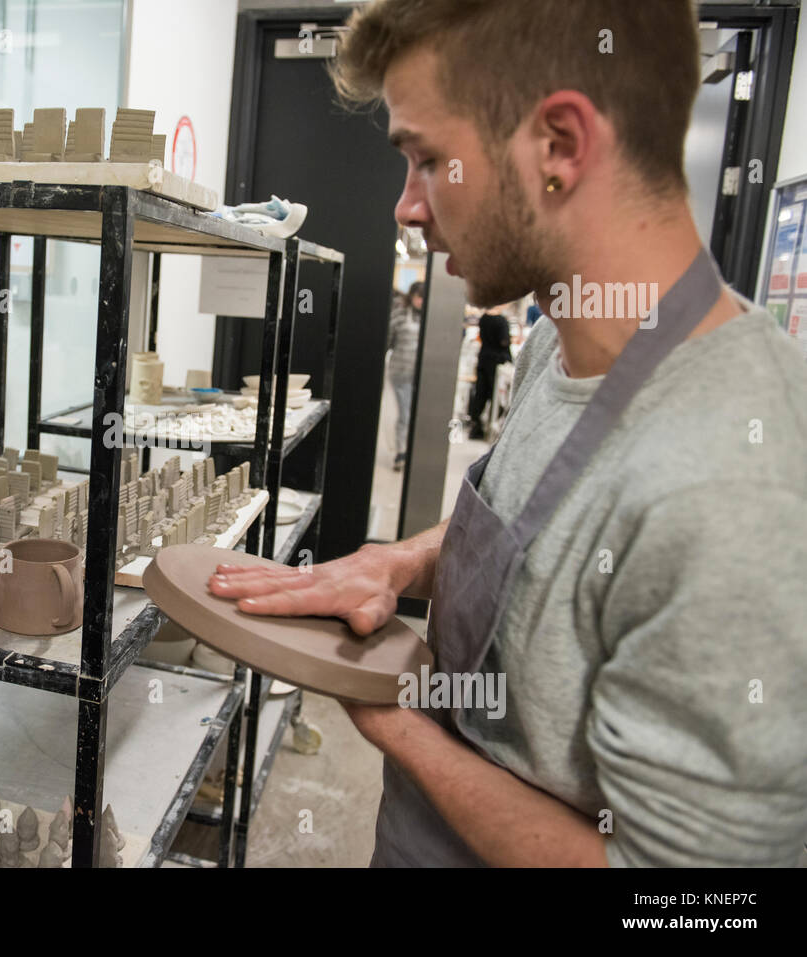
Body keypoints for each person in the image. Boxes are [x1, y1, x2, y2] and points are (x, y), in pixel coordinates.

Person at [210, 0, 807, 866]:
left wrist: (399, 719)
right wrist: (402, 561)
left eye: (426, 159)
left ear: (560, 146)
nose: (407, 208)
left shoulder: (734, 484)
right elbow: (540, 521)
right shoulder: (563, 350)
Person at [386, 281, 423, 469]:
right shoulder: (400, 314)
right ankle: (401, 451)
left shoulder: (428, 317)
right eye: (418, 296)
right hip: (401, 371)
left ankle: (414, 450)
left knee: (418, 414)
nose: (421, 301)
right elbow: (388, 339)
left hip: (422, 375)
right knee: (405, 413)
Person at [466, 310, 512, 439]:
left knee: (480, 394)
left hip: (484, 358)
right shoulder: (501, 321)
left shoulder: (484, 319)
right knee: (496, 396)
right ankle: (491, 426)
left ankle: (476, 426)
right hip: (497, 362)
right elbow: (504, 341)